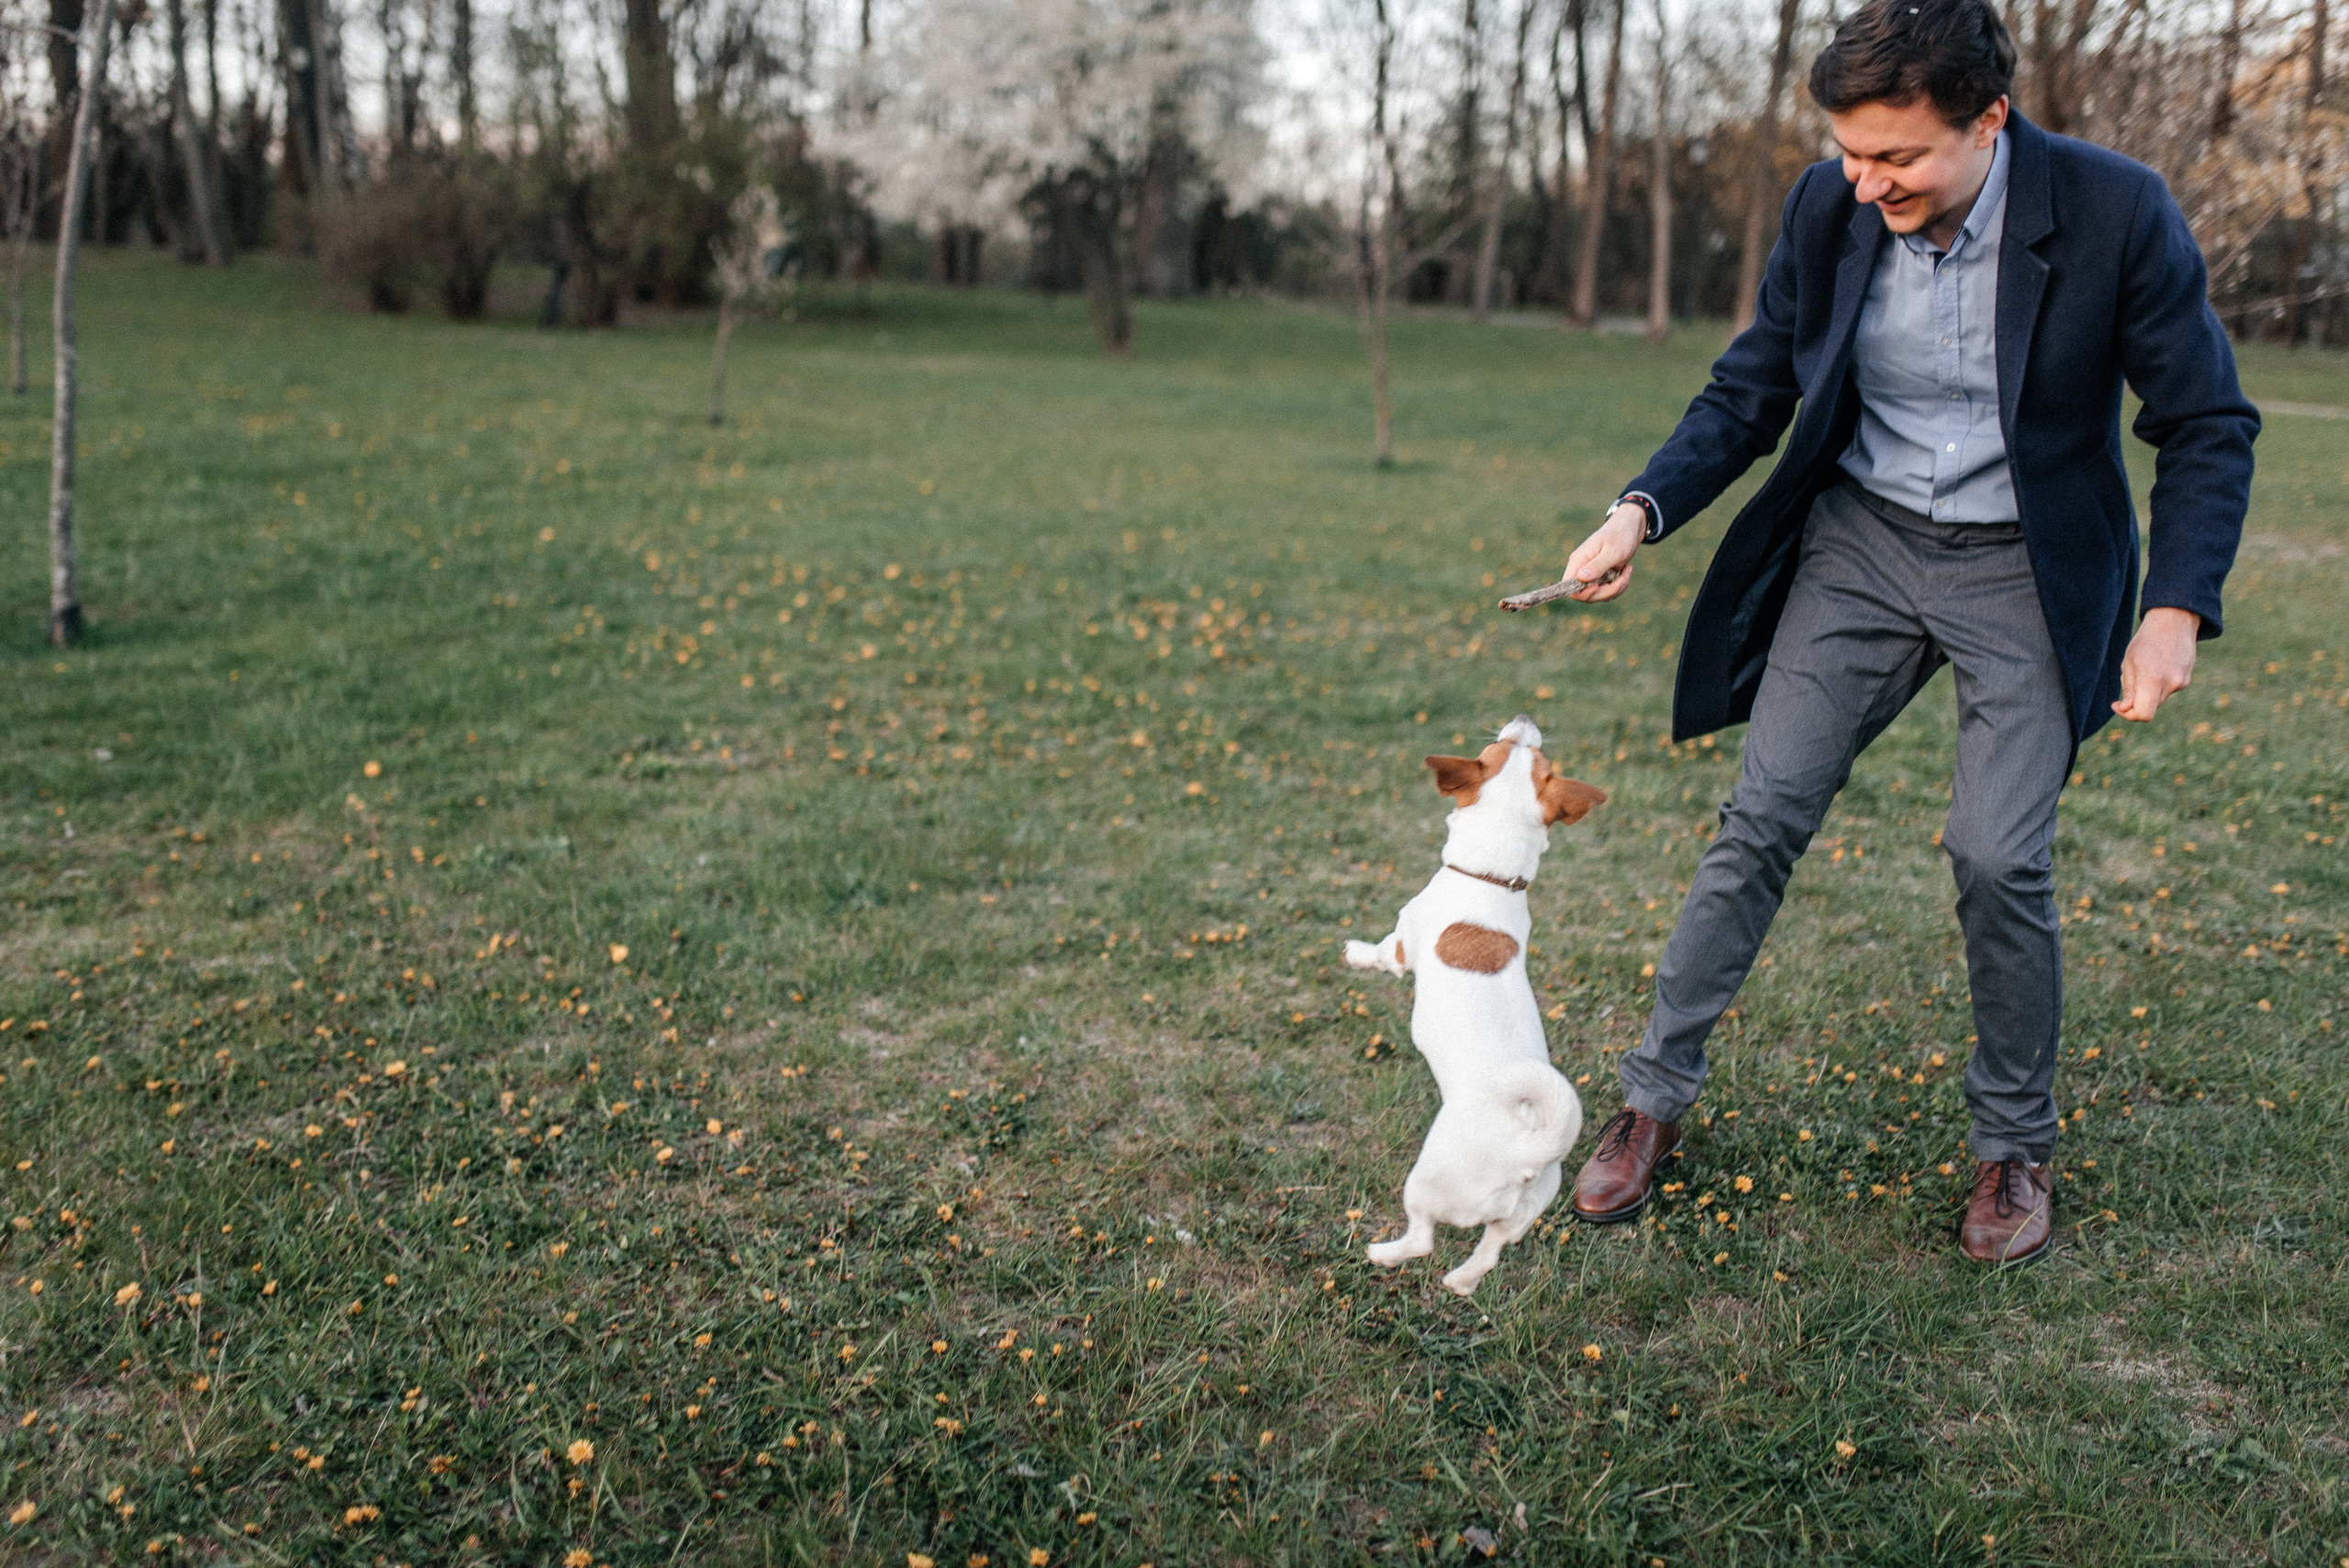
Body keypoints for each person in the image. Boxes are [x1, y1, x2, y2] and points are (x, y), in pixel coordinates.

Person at [1553, 0, 2256, 1265]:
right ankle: (1650, 1103)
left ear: (1991, 118)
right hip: (1863, 546)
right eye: (1849, 153)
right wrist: (1639, 509)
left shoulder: (2114, 212)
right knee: (1760, 815)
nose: (1866, 181)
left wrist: (2172, 609)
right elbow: (1755, 378)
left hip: (2025, 568)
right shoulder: (1832, 210)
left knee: (1997, 856)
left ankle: (2013, 1146)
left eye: (1899, 158)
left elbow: (2206, 420)